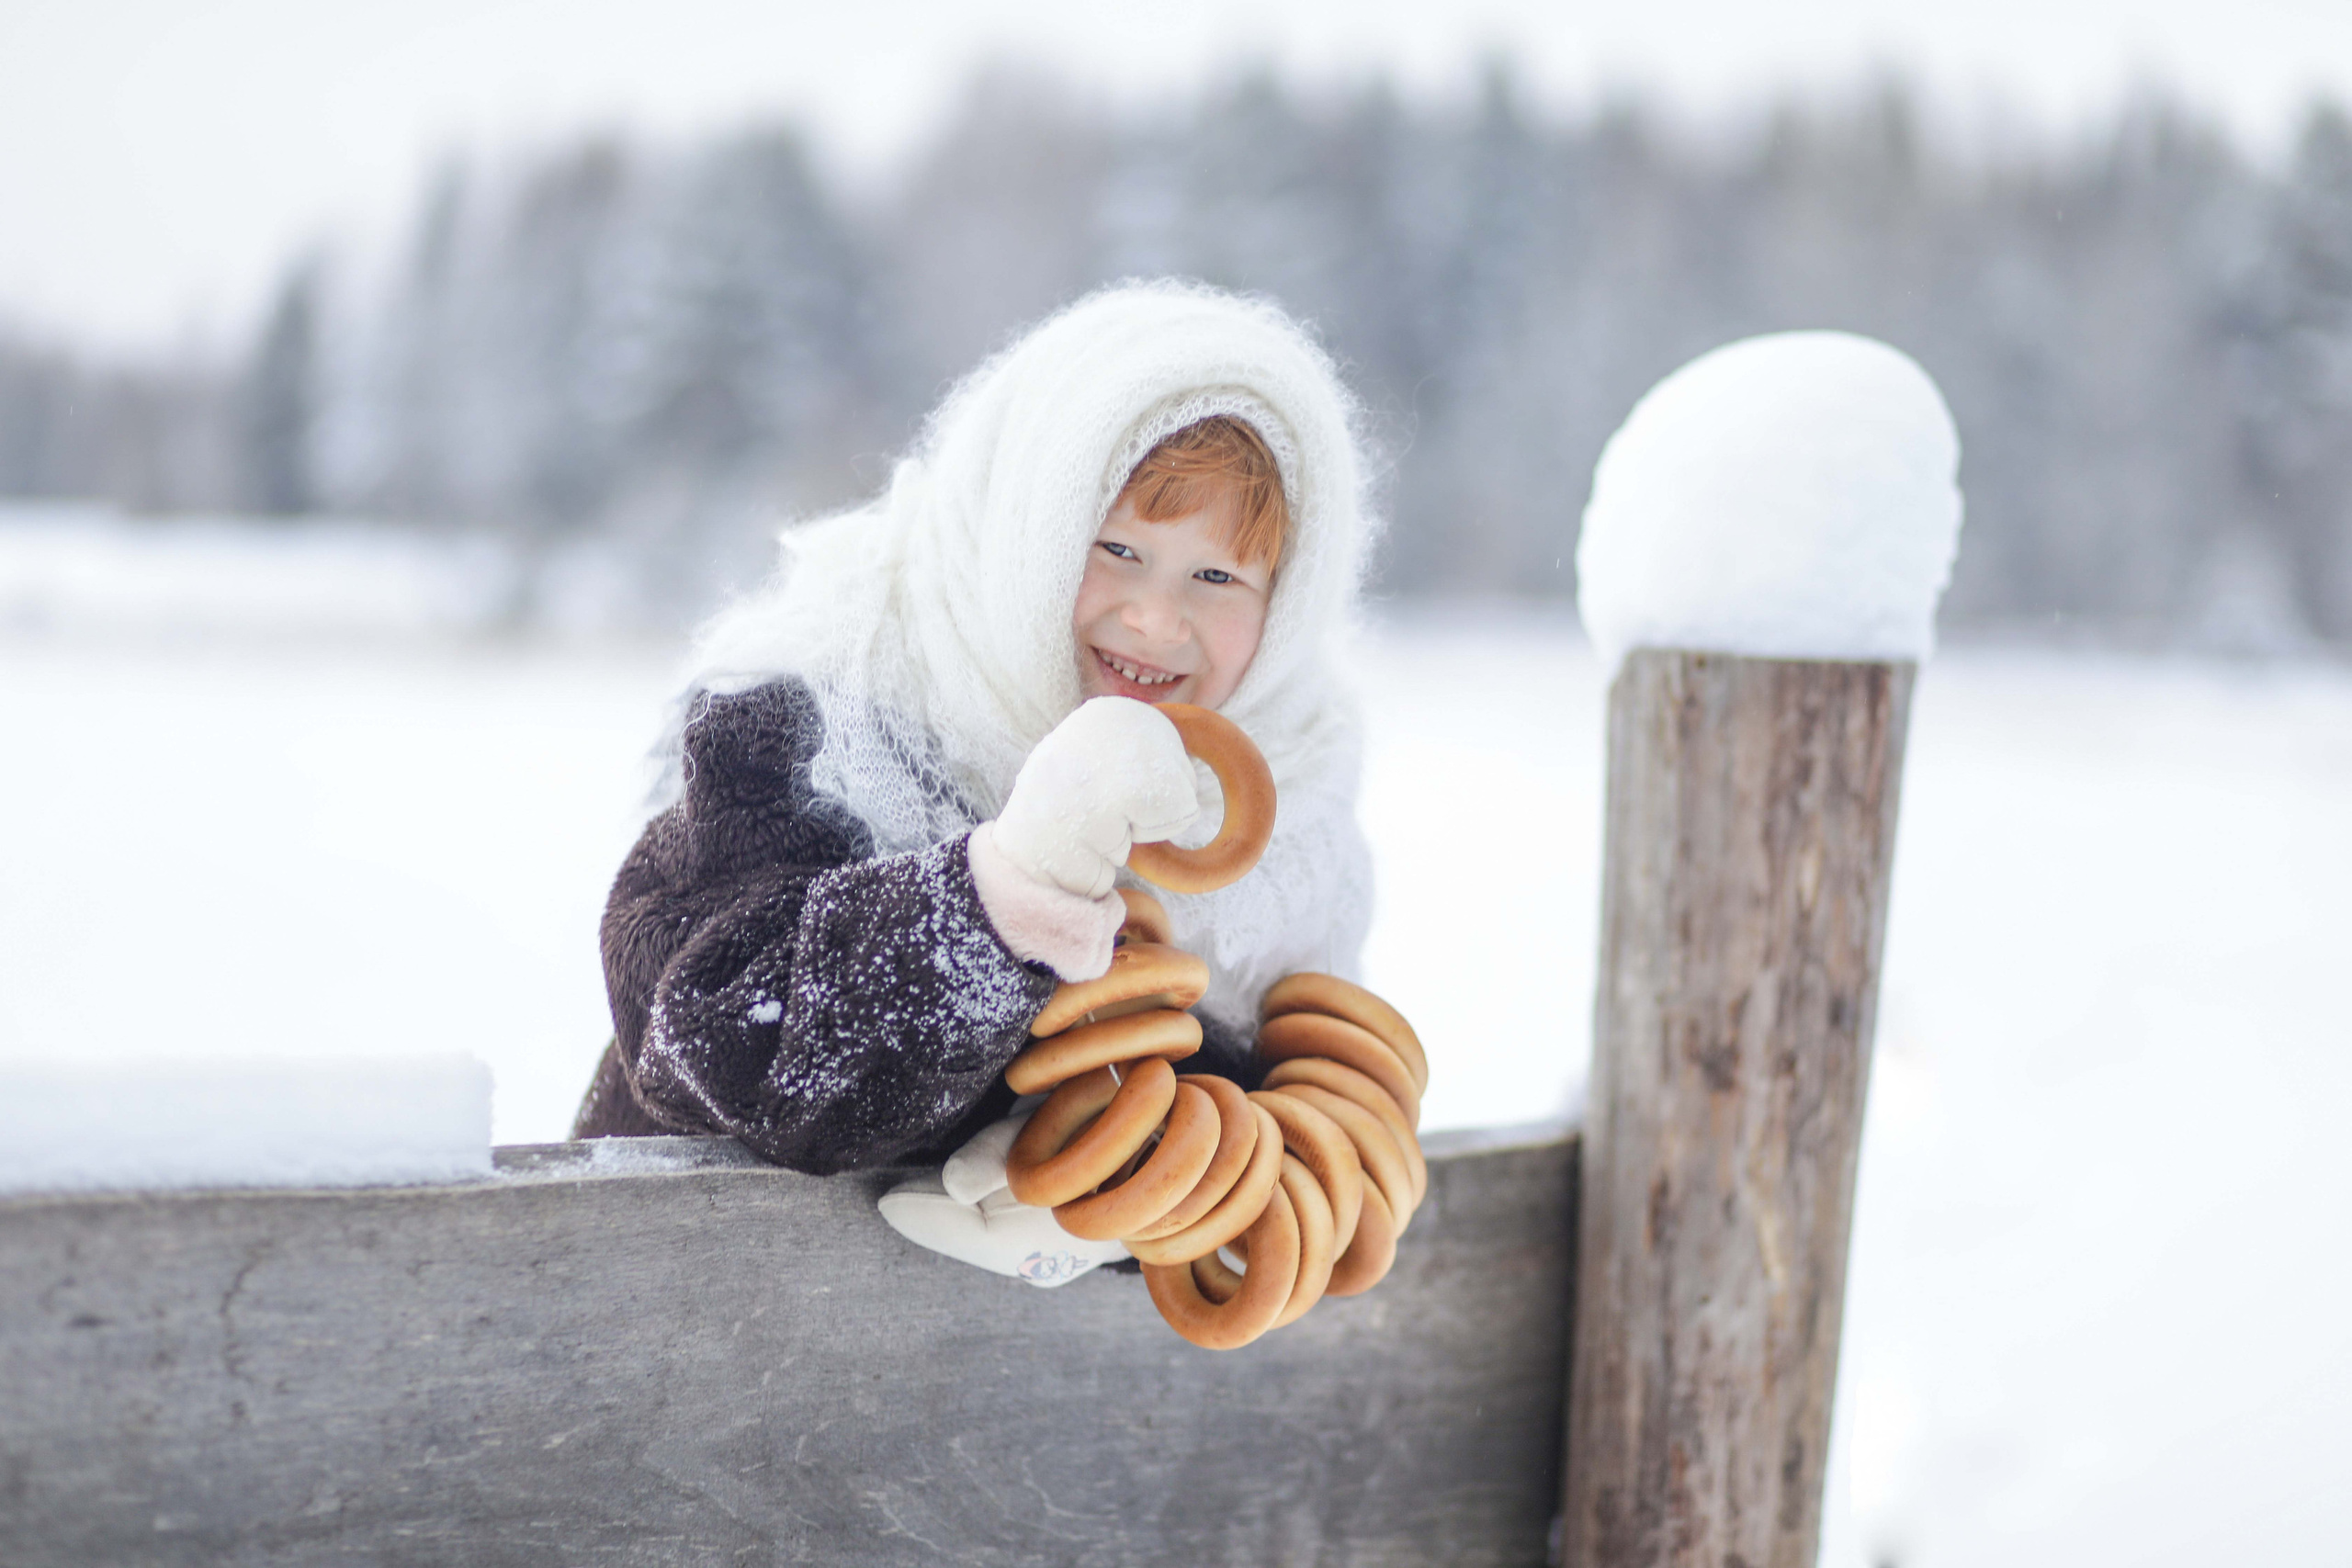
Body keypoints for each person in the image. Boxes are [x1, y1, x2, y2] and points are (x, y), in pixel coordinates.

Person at [571, 284, 1379, 1271]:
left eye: (1216, 578)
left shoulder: (1291, 794)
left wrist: (1128, 1194)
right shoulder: (825, 709)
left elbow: (1311, 1117)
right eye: (1117, 551)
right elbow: (705, 1033)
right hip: (677, 1318)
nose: (1157, 620)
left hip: (1015, 1401)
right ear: (1027, 527)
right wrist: (996, 899)